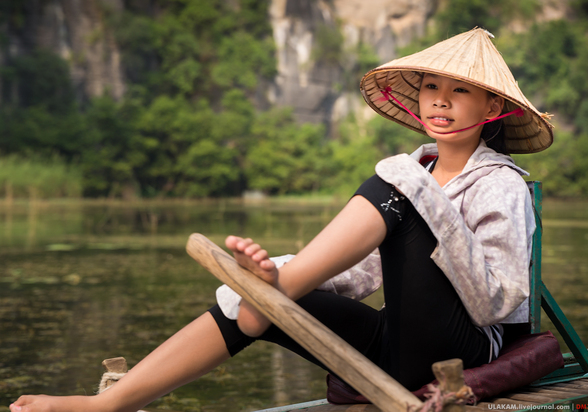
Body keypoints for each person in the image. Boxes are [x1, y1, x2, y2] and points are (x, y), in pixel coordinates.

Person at [9, 27, 554, 412]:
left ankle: (277, 289)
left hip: (463, 348)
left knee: (384, 193)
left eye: (460, 91)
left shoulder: (499, 183)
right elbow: (363, 277)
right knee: (245, 294)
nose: (440, 101)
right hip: (400, 345)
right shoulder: (416, 172)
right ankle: (109, 404)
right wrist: (278, 281)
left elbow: (497, 303)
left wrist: (432, 211)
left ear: (491, 110)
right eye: (433, 88)